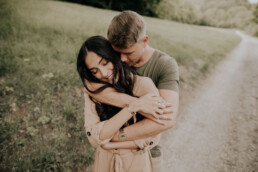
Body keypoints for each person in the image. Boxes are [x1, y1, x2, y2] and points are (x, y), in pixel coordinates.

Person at [84, 11, 179, 171]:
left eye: (128, 53)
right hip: (110, 154)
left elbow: (166, 119)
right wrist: (136, 104)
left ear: (144, 41)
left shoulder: (165, 65)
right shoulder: (109, 60)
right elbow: (90, 86)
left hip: (145, 152)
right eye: (116, 52)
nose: (121, 59)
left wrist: (116, 135)